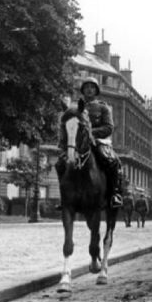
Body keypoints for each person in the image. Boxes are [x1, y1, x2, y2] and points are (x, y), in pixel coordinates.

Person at [56, 77, 124, 208]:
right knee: (60, 163)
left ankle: (115, 194)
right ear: (83, 90)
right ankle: (64, 196)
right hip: (77, 142)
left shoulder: (103, 108)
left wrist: (90, 132)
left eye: (92, 87)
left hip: (97, 142)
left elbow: (109, 127)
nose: (89, 90)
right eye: (86, 87)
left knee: (112, 162)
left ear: (96, 90)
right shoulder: (75, 108)